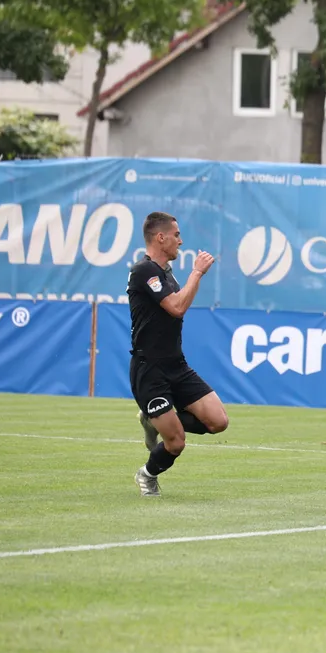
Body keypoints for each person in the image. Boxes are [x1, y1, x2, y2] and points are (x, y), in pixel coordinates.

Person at [127, 211, 229, 496]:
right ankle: (147, 475)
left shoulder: (166, 275)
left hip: (176, 365)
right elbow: (176, 307)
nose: (180, 241)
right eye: (176, 235)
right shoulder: (144, 271)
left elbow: (177, 306)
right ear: (161, 238)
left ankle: (154, 418)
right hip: (149, 369)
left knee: (218, 421)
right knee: (176, 442)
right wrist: (197, 273)